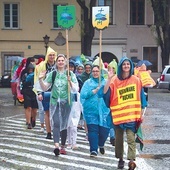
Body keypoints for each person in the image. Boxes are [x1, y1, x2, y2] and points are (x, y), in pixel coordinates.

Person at [103, 57, 147, 169]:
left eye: (128, 64)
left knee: (131, 138)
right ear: (120, 66)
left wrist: (142, 112)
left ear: (131, 66)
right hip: (118, 116)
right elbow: (106, 95)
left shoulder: (136, 80)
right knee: (119, 140)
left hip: (132, 116)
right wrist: (108, 79)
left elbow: (141, 97)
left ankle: (131, 160)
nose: (126, 66)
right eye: (124, 64)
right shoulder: (114, 81)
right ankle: (120, 159)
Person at [38, 54, 79, 156]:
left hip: (66, 103)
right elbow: (44, 88)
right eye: (59, 60)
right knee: (56, 123)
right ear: (56, 62)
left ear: (65, 62)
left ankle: (63, 146)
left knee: (64, 125)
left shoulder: (70, 74)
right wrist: (40, 80)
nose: (60, 62)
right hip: (55, 102)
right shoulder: (53, 74)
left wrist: (70, 82)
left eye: (62, 60)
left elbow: (75, 89)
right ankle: (56, 145)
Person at [80, 65, 111, 157]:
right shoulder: (87, 83)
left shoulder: (105, 82)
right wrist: (93, 91)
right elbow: (83, 95)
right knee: (92, 130)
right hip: (91, 111)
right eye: (93, 71)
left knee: (104, 131)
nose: (95, 73)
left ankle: (101, 144)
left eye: (97, 71)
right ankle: (93, 150)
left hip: (104, 111)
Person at [34, 47, 56, 139]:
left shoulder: (58, 65)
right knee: (46, 111)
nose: (51, 57)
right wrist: (39, 92)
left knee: (56, 113)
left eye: (53, 55)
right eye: (50, 55)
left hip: (56, 91)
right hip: (45, 91)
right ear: (47, 56)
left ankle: (55, 129)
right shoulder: (41, 66)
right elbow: (37, 79)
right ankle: (48, 131)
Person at [20, 62, 38, 129]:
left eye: (32, 69)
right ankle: (28, 123)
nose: (30, 70)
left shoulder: (36, 75)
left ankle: (33, 118)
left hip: (34, 91)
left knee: (34, 109)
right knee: (28, 107)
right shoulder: (25, 75)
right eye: (29, 69)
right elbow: (22, 83)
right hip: (27, 91)